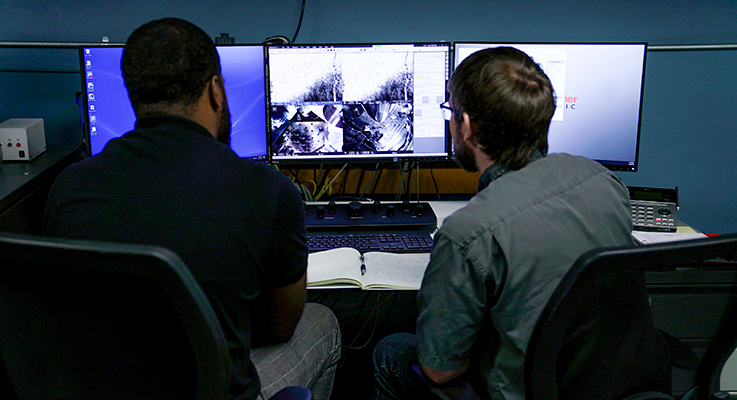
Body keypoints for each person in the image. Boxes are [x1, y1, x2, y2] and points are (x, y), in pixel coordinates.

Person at [43, 18, 340, 400]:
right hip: (216, 390)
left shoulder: (69, 186)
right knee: (324, 321)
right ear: (216, 91)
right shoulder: (269, 190)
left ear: (134, 97)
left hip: (104, 388)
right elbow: (279, 327)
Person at [372, 47, 671, 399]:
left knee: (391, 352)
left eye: (450, 111)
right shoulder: (603, 181)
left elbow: (440, 370)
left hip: (528, 391)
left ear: (466, 127)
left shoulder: (468, 233)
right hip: (615, 387)